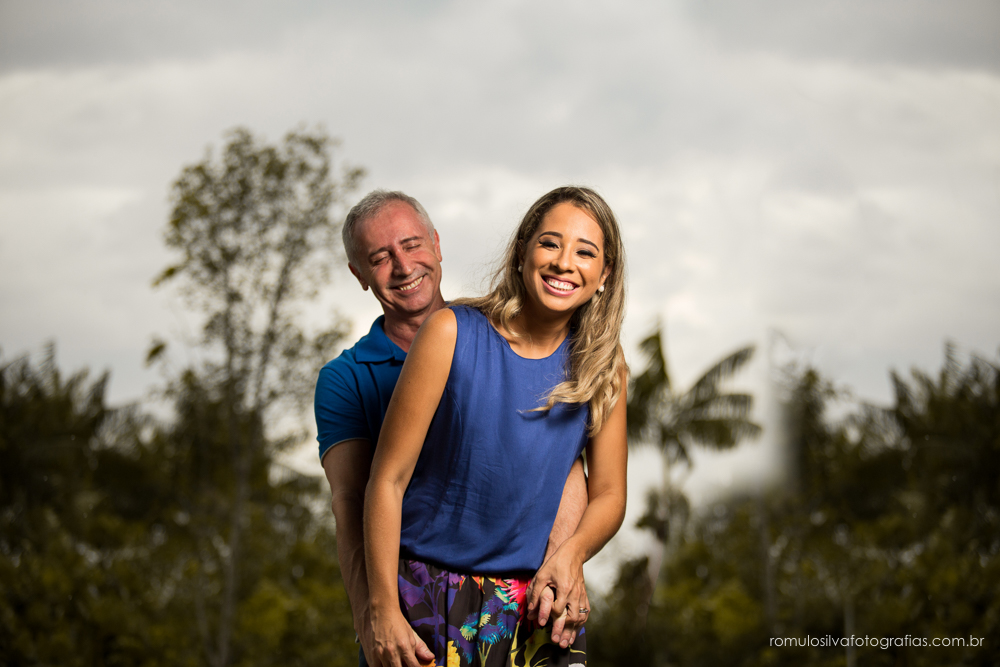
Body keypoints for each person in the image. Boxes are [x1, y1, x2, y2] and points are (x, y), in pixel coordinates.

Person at [314, 190, 589, 666]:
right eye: (380, 258)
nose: (403, 266)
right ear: (360, 275)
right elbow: (353, 502)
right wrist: (374, 615)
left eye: (413, 244)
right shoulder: (347, 379)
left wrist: (566, 563)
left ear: (437, 245)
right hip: (420, 599)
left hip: (520, 592)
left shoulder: (505, 336)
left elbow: (562, 463)